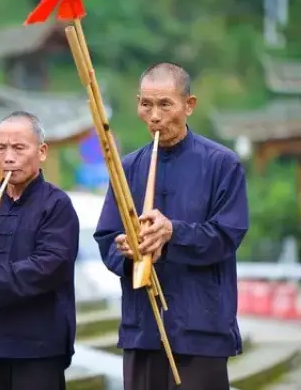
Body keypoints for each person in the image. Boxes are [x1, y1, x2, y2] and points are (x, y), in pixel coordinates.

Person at [94, 62, 249, 390]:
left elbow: (227, 235)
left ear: (189, 105)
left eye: (165, 104)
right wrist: (126, 248)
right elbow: (107, 238)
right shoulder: (127, 168)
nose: (154, 115)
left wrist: (172, 233)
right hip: (142, 329)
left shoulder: (222, 164)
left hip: (201, 330)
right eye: (146, 104)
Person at [0, 111, 80, 390]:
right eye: (1, 148)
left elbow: (51, 266)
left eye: (19, 147)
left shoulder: (56, 205)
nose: (8, 157)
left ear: (42, 152)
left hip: (38, 347)